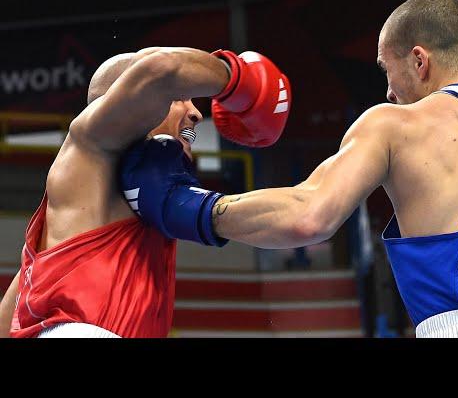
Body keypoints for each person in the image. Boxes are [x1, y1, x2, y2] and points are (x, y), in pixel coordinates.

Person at [121, 0, 458, 338]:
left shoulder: (395, 125)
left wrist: (184, 206)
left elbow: (308, 214)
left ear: (420, 60)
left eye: (387, 73)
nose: (389, 92)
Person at [0, 46, 291, 338]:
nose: (196, 114)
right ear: (128, 100)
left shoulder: (151, 192)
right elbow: (161, 68)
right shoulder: (91, 146)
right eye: (179, 98)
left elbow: (10, 320)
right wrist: (238, 80)